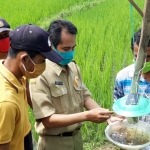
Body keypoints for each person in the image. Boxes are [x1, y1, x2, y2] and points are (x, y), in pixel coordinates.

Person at [29, 19, 114, 150]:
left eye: (73, 48)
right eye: (66, 49)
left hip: (76, 139)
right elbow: (47, 120)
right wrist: (86, 116)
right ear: (51, 45)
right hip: (55, 143)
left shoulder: (73, 67)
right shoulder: (41, 74)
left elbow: (85, 96)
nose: (71, 53)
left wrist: (106, 117)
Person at [0, 24, 62, 150]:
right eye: (42, 60)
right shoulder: (6, 103)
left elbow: (27, 90)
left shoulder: (17, 74)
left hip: (22, 135)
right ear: (24, 60)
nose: (43, 66)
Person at [113, 29, 150, 150]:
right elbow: (118, 106)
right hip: (133, 142)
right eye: (138, 57)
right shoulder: (123, 77)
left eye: (148, 57)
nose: (144, 62)